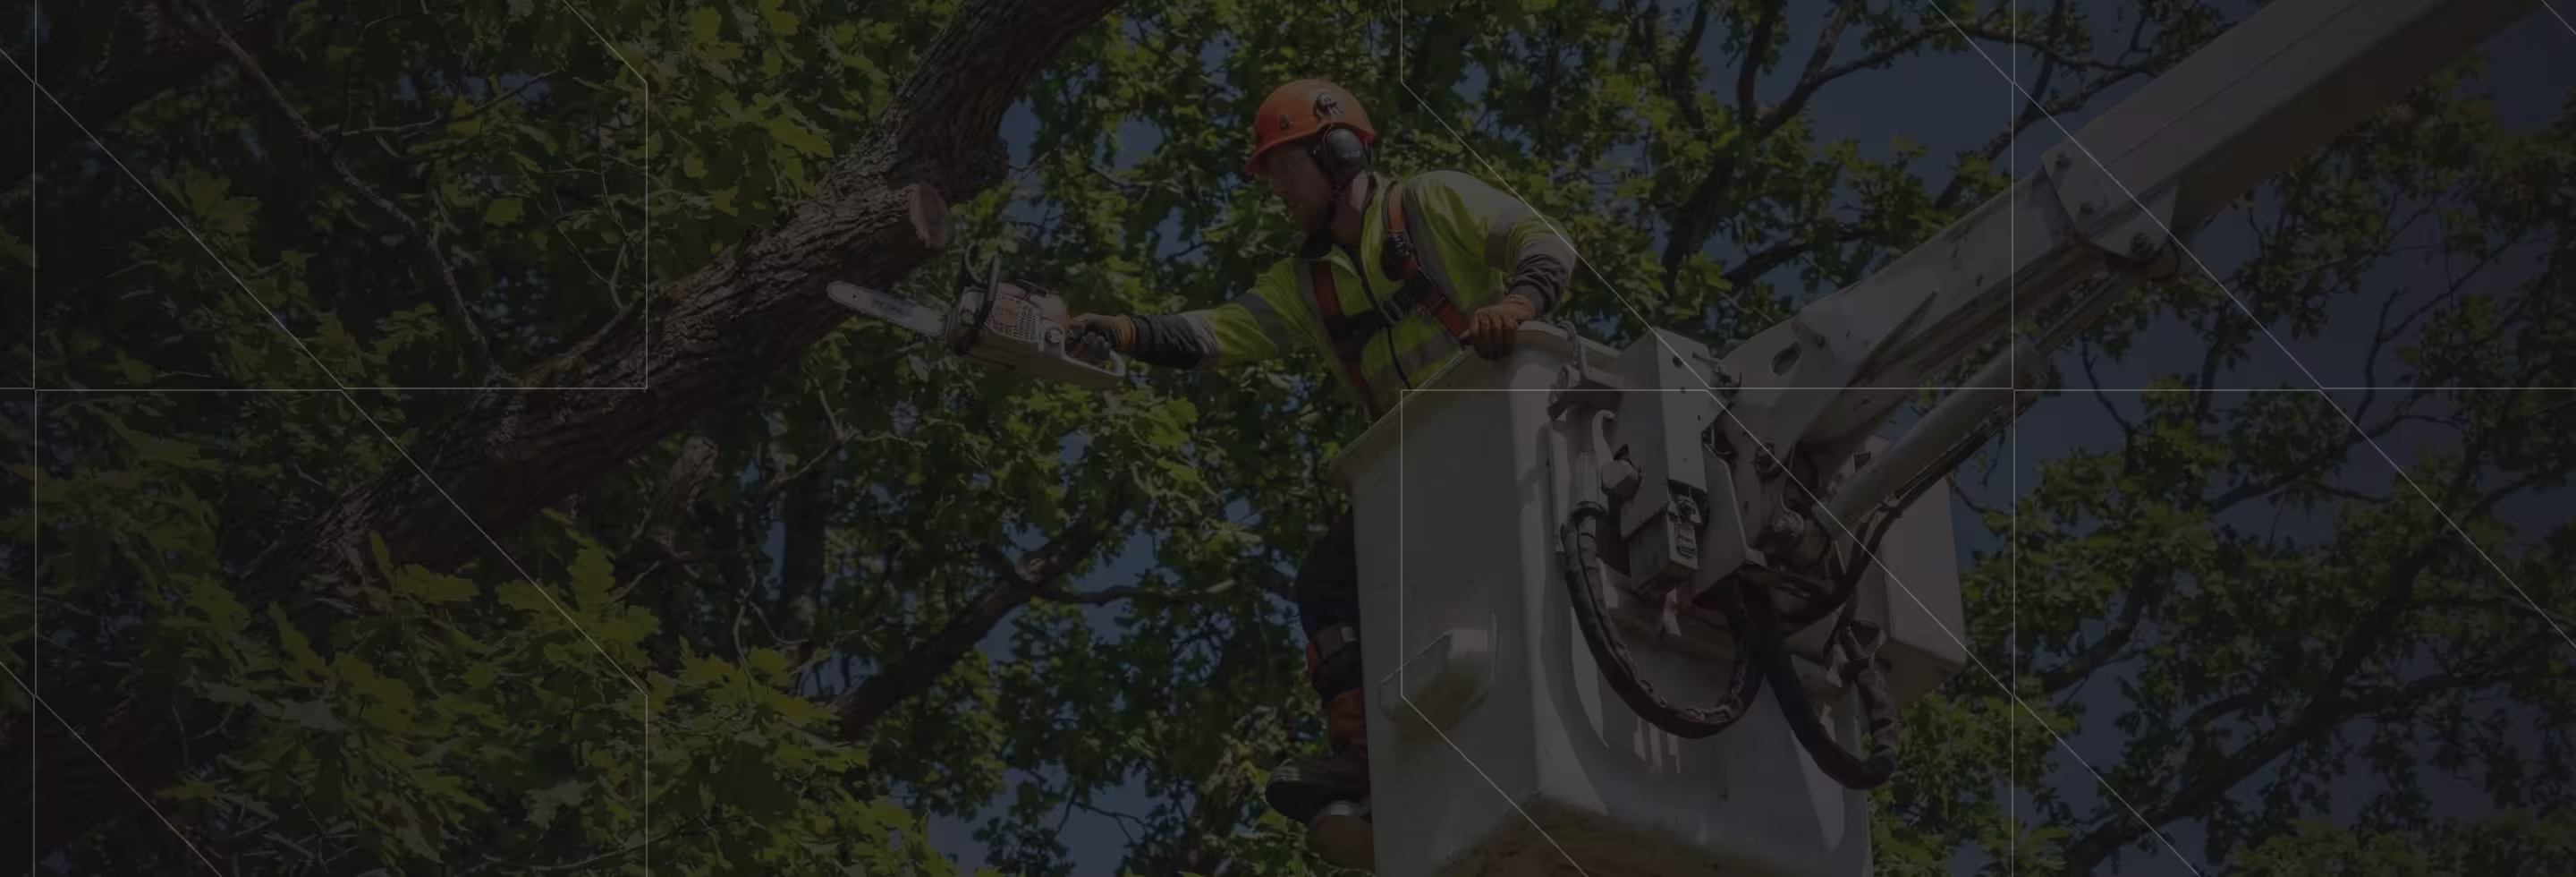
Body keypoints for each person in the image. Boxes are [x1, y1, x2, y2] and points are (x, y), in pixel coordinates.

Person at [1067, 78, 1576, 866]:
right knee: (1331, 582)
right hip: (1420, 470)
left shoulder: (1431, 202)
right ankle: (1367, 757)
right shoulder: (1306, 282)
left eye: (1280, 167)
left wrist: (1518, 304)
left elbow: (1544, 242)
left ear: (1337, 152)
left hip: (1515, 440)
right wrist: (1119, 330)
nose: (1271, 188)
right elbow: (1217, 332)